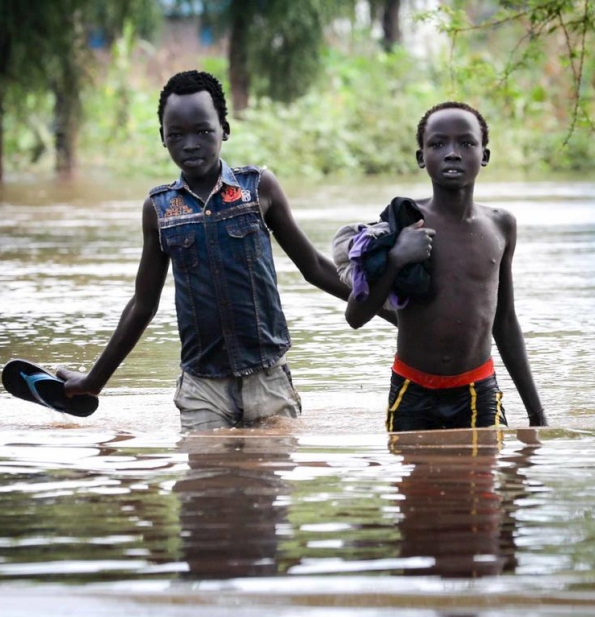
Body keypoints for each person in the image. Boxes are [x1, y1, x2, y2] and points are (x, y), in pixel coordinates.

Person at [59, 70, 386, 430]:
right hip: (202, 388)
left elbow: (314, 268)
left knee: (267, 476)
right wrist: (94, 381)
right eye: (176, 135)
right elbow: (142, 305)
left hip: (268, 379)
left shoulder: (258, 189)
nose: (190, 144)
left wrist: (397, 317)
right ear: (162, 139)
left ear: (224, 130)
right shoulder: (160, 209)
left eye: (203, 131)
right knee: (206, 480)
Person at [345, 101, 547, 431]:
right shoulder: (402, 221)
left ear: (484, 155)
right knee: (416, 481)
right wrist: (396, 257)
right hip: (411, 391)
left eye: (466, 143)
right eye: (438, 144)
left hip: (477, 390)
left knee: (484, 480)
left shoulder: (501, 226)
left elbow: (505, 321)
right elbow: (356, 316)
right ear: (421, 157)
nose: (452, 153)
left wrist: (536, 413)